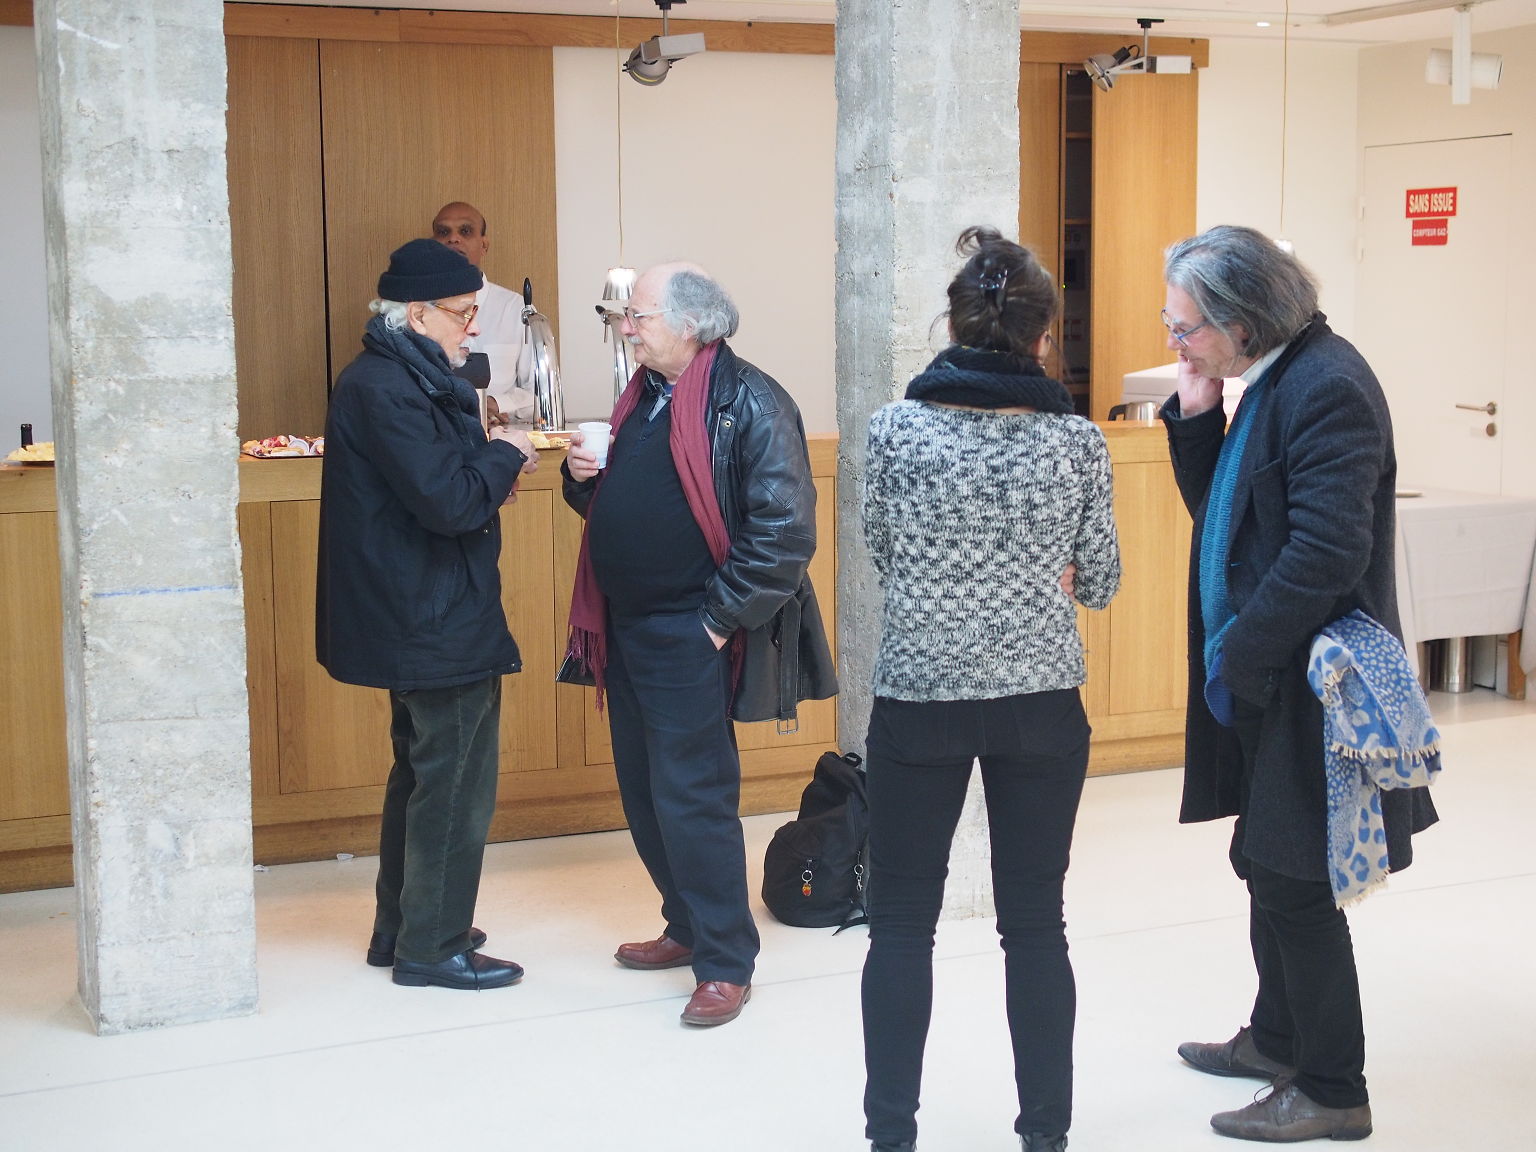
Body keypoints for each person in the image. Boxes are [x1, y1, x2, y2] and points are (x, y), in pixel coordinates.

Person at [1159, 225, 1439, 1142]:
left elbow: (1327, 553)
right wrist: (1197, 415)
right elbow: (1228, 520)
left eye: (1187, 329)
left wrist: (1240, 657)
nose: (1177, 343)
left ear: (1242, 323)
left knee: (1295, 881)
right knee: (1264, 862)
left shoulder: (1329, 387)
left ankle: (1330, 1087)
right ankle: (1276, 1038)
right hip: (1269, 672)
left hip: (1307, 682)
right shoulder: (1274, 379)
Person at [860, 226, 1121, 1152]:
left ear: (955, 325)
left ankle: (891, 1136)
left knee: (900, 927)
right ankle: (1045, 1137)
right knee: (1036, 926)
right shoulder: (1077, 443)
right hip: (1040, 704)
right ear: (1044, 337)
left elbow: (885, 555)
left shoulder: (894, 430)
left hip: (919, 699)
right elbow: (1100, 583)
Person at [560, 261, 834, 1027]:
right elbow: (625, 501)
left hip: (690, 628)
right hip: (626, 623)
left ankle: (724, 961)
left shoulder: (751, 401)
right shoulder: (647, 395)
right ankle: (684, 924)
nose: (626, 328)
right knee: (645, 792)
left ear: (690, 324)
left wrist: (715, 621)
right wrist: (582, 478)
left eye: (639, 316)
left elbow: (785, 534)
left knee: (693, 798)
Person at [316, 238, 539, 991]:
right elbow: (449, 503)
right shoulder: (387, 386)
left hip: (420, 608)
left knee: (421, 774)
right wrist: (507, 452)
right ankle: (433, 946)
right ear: (415, 314)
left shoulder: (395, 375)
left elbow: (439, 484)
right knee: (454, 783)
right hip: (432, 614)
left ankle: (404, 926)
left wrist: (486, 469)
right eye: (461, 313)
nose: (473, 326)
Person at [431, 200, 537, 424]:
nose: (453, 238)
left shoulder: (516, 309)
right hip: (436, 433)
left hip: (504, 434)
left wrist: (495, 404)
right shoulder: (419, 311)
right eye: (443, 232)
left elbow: (540, 392)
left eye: (465, 231)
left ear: (484, 245)